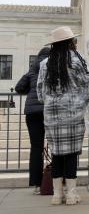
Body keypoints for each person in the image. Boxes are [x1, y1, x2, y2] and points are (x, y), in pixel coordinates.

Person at [37, 27, 89, 205]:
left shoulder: (45, 64)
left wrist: (50, 103)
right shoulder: (76, 61)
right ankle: (71, 194)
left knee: (57, 154)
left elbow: (40, 92)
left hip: (51, 115)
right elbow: (87, 87)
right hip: (73, 113)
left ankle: (57, 195)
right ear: (70, 42)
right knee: (71, 155)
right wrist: (80, 103)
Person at [15, 47, 50, 194]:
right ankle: (56, 181)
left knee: (36, 147)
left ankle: (36, 184)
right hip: (49, 110)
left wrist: (30, 91)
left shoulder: (31, 70)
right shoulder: (51, 68)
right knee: (55, 145)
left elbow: (18, 88)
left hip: (32, 113)